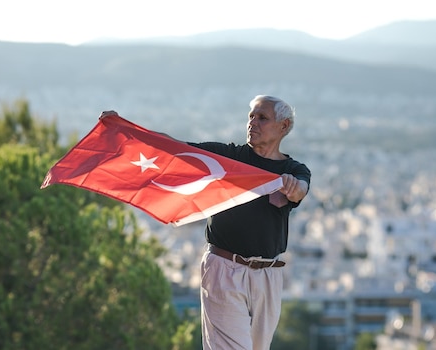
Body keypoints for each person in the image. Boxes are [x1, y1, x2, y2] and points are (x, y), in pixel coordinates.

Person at [101, 94, 310, 350]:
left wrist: (291, 187)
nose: (253, 123)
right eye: (251, 116)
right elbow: (175, 148)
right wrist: (125, 130)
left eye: (262, 118)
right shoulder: (226, 157)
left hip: (268, 276)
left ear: (284, 126)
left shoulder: (294, 170)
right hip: (225, 269)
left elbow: (301, 189)